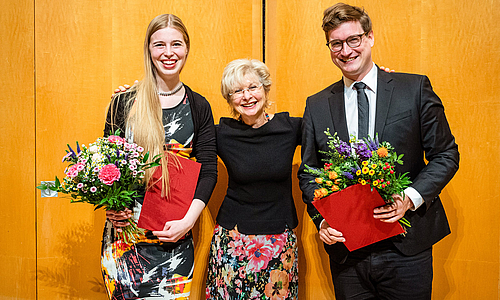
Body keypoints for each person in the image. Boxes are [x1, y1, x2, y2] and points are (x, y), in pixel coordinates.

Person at [298, 3, 459, 299]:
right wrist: (321, 220)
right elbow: (310, 175)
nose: (345, 51)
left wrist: (409, 199)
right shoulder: (316, 105)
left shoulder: (414, 88)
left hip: (407, 247)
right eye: (336, 43)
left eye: (353, 40)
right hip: (348, 254)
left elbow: (446, 154)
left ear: (370, 37)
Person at [101, 14, 217, 299]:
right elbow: (108, 164)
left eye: (176, 44)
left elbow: (209, 170)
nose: (168, 53)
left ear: (187, 49)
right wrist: (113, 206)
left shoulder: (198, 105)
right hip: (125, 241)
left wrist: (188, 221)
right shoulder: (124, 102)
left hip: (174, 238)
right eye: (159, 45)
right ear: (148, 50)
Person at [205, 59, 300, 299]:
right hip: (232, 241)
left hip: (278, 241)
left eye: (253, 87)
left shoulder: (290, 127)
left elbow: (336, 124)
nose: (246, 96)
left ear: (266, 89)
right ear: (229, 99)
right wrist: (129, 99)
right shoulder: (221, 134)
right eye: (237, 91)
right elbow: (176, 138)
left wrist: (369, 83)